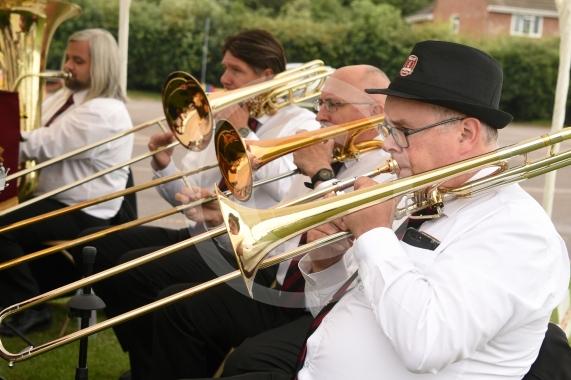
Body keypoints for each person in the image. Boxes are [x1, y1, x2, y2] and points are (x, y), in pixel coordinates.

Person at [294, 40, 570, 379]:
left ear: (465, 133)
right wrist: (328, 259)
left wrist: (373, 234)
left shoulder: (520, 233)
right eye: (388, 127)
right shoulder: (425, 193)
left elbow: (425, 345)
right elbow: (335, 304)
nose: (387, 143)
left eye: (404, 130)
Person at [80, 29, 320, 380]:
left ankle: (162, 366)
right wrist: (164, 163)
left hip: (244, 253)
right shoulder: (222, 120)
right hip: (205, 235)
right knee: (102, 248)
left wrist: (243, 135)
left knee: (137, 270)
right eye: (225, 68)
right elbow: (187, 197)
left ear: (267, 75)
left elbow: (287, 182)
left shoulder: (301, 122)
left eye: (235, 70)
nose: (224, 79)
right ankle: (150, 362)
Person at [149, 64, 396, 380]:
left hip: (323, 307)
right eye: (320, 103)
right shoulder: (323, 153)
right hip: (279, 286)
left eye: (333, 105)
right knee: (177, 307)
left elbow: (347, 252)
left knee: (248, 358)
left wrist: (322, 173)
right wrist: (220, 214)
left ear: (375, 112)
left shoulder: (384, 168)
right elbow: (279, 224)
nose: (320, 115)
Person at [0, 28, 134, 336]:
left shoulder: (104, 112)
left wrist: (5, 134)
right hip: (54, 198)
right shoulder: (64, 96)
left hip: (81, 210)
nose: (68, 66)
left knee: (2, 228)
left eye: (79, 61)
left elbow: (39, 144)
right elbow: (30, 129)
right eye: (68, 58)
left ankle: (32, 307)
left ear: (100, 65)